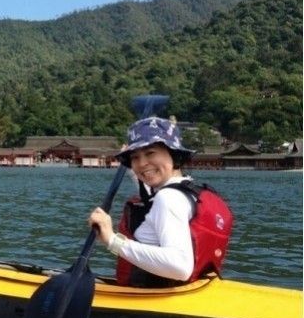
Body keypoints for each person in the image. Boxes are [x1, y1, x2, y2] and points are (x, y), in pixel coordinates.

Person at [88, 117, 233, 287]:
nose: (141, 164)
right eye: (135, 157)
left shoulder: (168, 198)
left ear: (174, 154)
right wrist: (137, 172)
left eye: (150, 153)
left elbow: (180, 267)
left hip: (151, 302)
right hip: (186, 291)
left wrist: (111, 239)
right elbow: (151, 193)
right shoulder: (188, 191)